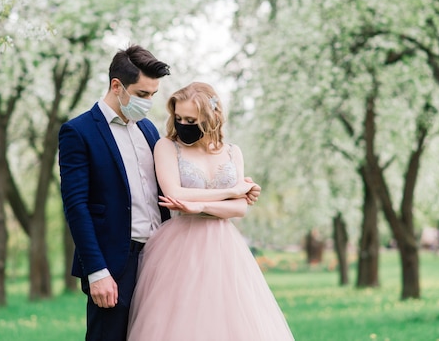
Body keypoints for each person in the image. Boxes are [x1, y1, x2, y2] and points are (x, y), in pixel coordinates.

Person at [127, 82, 294, 341]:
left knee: (230, 320)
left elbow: (240, 208)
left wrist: (203, 206)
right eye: (178, 118)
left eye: (191, 119)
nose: (183, 124)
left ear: (210, 117)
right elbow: (176, 193)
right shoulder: (167, 147)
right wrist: (233, 191)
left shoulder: (232, 152)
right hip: (180, 247)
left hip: (225, 246)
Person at [58, 45, 172, 341]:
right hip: (114, 265)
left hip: (158, 259)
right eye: (142, 94)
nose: (148, 103)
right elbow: (76, 206)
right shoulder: (79, 132)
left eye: (153, 95)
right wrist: (96, 271)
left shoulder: (149, 131)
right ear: (116, 86)